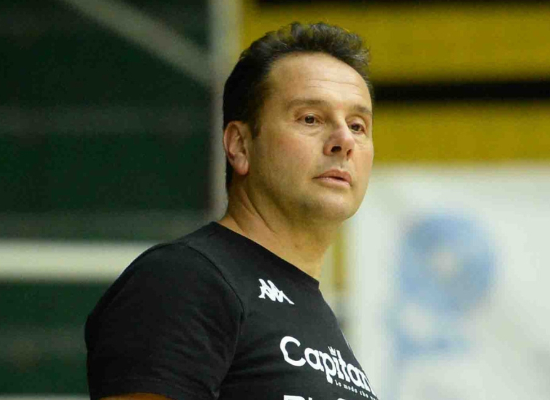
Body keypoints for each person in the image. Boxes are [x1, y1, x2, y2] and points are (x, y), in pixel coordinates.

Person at [85, 21, 377, 400]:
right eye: (310, 118)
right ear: (239, 145)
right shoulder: (187, 280)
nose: (344, 140)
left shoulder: (317, 316)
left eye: (357, 125)